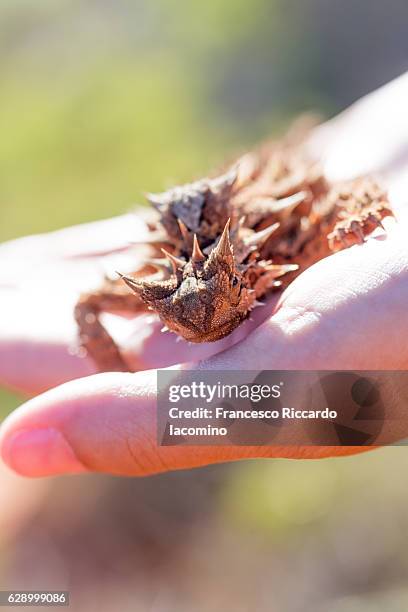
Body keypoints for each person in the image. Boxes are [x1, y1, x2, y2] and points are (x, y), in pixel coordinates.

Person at [1, 73, 408, 478]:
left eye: (214, 303)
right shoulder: (159, 283)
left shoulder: (288, 242)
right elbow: (88, 304)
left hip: (269, 198)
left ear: (236, 280)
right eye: (177, 317)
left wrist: (358, 218)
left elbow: (355, 191)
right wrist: (116, 370)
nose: (200, 323)